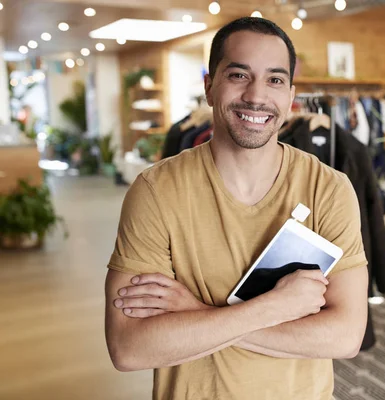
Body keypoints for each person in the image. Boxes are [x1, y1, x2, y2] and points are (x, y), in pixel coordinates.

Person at [104, 17, 368, 400]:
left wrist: (196, 312)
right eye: (239, 75)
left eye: (275, 80)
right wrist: (273, 307)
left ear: (291, 95)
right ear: (210, 87)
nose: (257, 96)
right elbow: (129, 348)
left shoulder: (328, 188)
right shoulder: (156, 191)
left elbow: (345, 337)